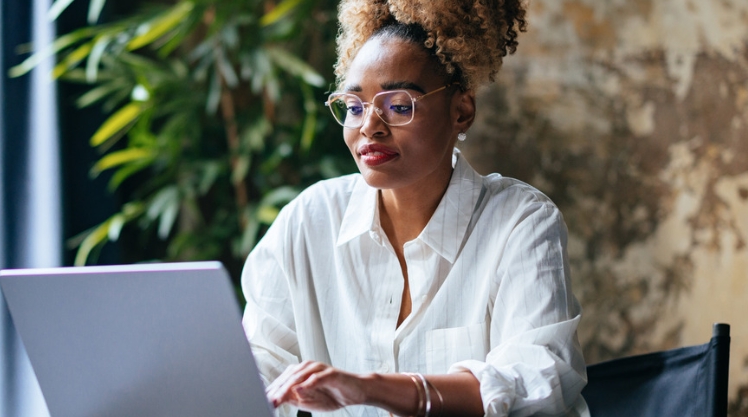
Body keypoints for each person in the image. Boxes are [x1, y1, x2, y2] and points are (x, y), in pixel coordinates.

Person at [241, 1, 589, 416]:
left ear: (461, 110)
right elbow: (255, 369)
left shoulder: (520, 222)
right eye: (354, 107)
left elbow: (538, 377)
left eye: (399, 105)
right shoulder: (307, 221)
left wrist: (373, 388)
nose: (369, 126)